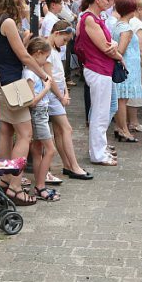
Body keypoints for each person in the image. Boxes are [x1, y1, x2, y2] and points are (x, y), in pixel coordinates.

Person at [0, 0, 51, 201]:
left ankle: (5, 177)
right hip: (12, 84)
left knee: (6, 130)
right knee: (26, 134)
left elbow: (11, 53)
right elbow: (23, 57)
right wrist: (44, 76)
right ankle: (14, 185)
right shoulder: (8, 22)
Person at [77, 0, 122, 165]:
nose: (108, 2)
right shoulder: (89, 19)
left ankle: (100, 150)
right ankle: (98, 154)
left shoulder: (95, 18)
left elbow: (110, 43)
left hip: (101, 68)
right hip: (97, 68)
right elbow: (105, 46)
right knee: (100, 114)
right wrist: (118, 54)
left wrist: (114, 47)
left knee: (101, 113)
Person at [46, 20, 91, 180]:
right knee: (66, 129)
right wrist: (61, 95)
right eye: (64, 40)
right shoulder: (47, 49)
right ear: (57, 33)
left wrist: (64, 92)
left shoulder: (54, 49)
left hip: (57, 93)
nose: (65, 44)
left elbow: (59, 75)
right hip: (53, 94)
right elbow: (49, 77)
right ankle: (73, 166)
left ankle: (68, 165)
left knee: (60, 131)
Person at [22, 38, 60, 200]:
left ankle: (39, 185)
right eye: (45, 57)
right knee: (50, 150)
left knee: (38, 151)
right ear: (37, 54)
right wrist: (46, 88)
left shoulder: (32, 72)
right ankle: (40, 185)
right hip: (38, 113)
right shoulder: (30, 74)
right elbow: (31, 101)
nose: (46, 61)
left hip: (40, 113)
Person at [111, 0, 142, 142]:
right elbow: (121, 50)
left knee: (121, 99)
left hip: (124, 66)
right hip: (126, 67)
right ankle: (123, 129)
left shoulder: (117, 24)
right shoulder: (126, 28)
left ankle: (120, 128)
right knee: (122, 100)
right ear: (131, 10)